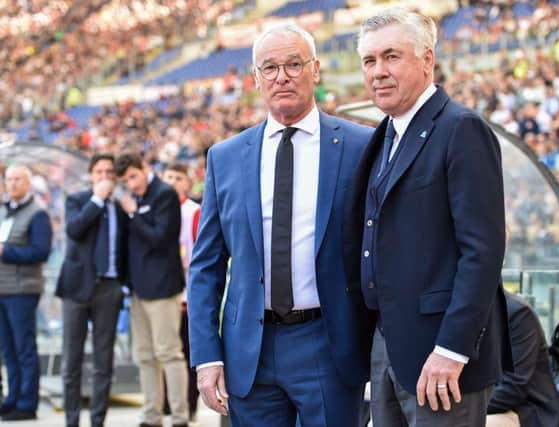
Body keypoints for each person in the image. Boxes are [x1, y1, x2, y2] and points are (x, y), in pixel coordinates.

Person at [187, 23, 373, 427]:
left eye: (293, 64)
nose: (282, 76)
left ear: (316, 70)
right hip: (248, 350)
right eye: (269, 67)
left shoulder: (361, 147)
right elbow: (206, 267)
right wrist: (206, 356)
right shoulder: (226, 157)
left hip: (329, 342)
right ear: (255, 78)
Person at [345, 8, 512, 426]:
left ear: (427, 59)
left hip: (441, 356)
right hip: (386, 348)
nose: (378, 72)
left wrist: (453, 350)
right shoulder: (384, 134)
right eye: (369, 61)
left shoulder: (461, 129)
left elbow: (483, 251)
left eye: (391, 57)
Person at [115, 152, 189, 427]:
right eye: (125, 180)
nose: (131, 184)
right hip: (136, 289)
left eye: (133, 176)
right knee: (144, 356)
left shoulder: (164, 194)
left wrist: (134, 214)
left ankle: (180, 417)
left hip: (163, 288)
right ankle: (151, 415)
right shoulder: (132, 198)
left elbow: (161, 238)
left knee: (169, 353)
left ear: (144, 168)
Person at [56, 153, 127, 427]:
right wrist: (96, 200)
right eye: (99, 171)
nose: (105, 176)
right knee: (71, 362)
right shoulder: (77, 200)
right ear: (90, 174)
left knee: (103, 362)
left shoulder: (121, 207)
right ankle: (71, 421)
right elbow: (74, 230)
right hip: (76, 288)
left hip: (109, 287)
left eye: (110, 172)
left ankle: (98, 421)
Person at [0, 165, 52, 421]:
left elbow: (41, 252)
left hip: (22, 290)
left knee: (24, 348)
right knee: (8, 349)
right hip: (2, 289)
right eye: (9, 179)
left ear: (28, 183)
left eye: (18, 179)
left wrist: (5, 252)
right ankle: (12, 398)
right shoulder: (4, 212)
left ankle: (26, 402)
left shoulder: (37, 214)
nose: (12, 184)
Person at [487, 292, 559, 427]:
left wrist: (466, 406)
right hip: (486, 405)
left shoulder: (517, 312)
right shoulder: (460, 313)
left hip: (524, 411)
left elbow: (513, 387)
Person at [162, 162, 201, 419]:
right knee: (164, 352)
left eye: (178, 177)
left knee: (187, 354)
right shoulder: (157, 210)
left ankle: (189, 406)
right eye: (168, 177)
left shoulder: (194, 211)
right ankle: (166, 403)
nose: (173, 182)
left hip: (187, 295)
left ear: (187, 183)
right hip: (163, 295)